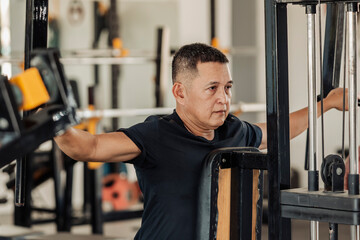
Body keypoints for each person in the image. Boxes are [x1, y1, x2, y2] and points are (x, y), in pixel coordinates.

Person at [54, 43, 348, 239]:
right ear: (180, 93)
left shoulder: (234, 131)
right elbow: (87, 147)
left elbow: (280, 130)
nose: (224, 99)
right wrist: (53, 121)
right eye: (212, 88)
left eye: (227, 87)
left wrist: (328, 103)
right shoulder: (156, 135)